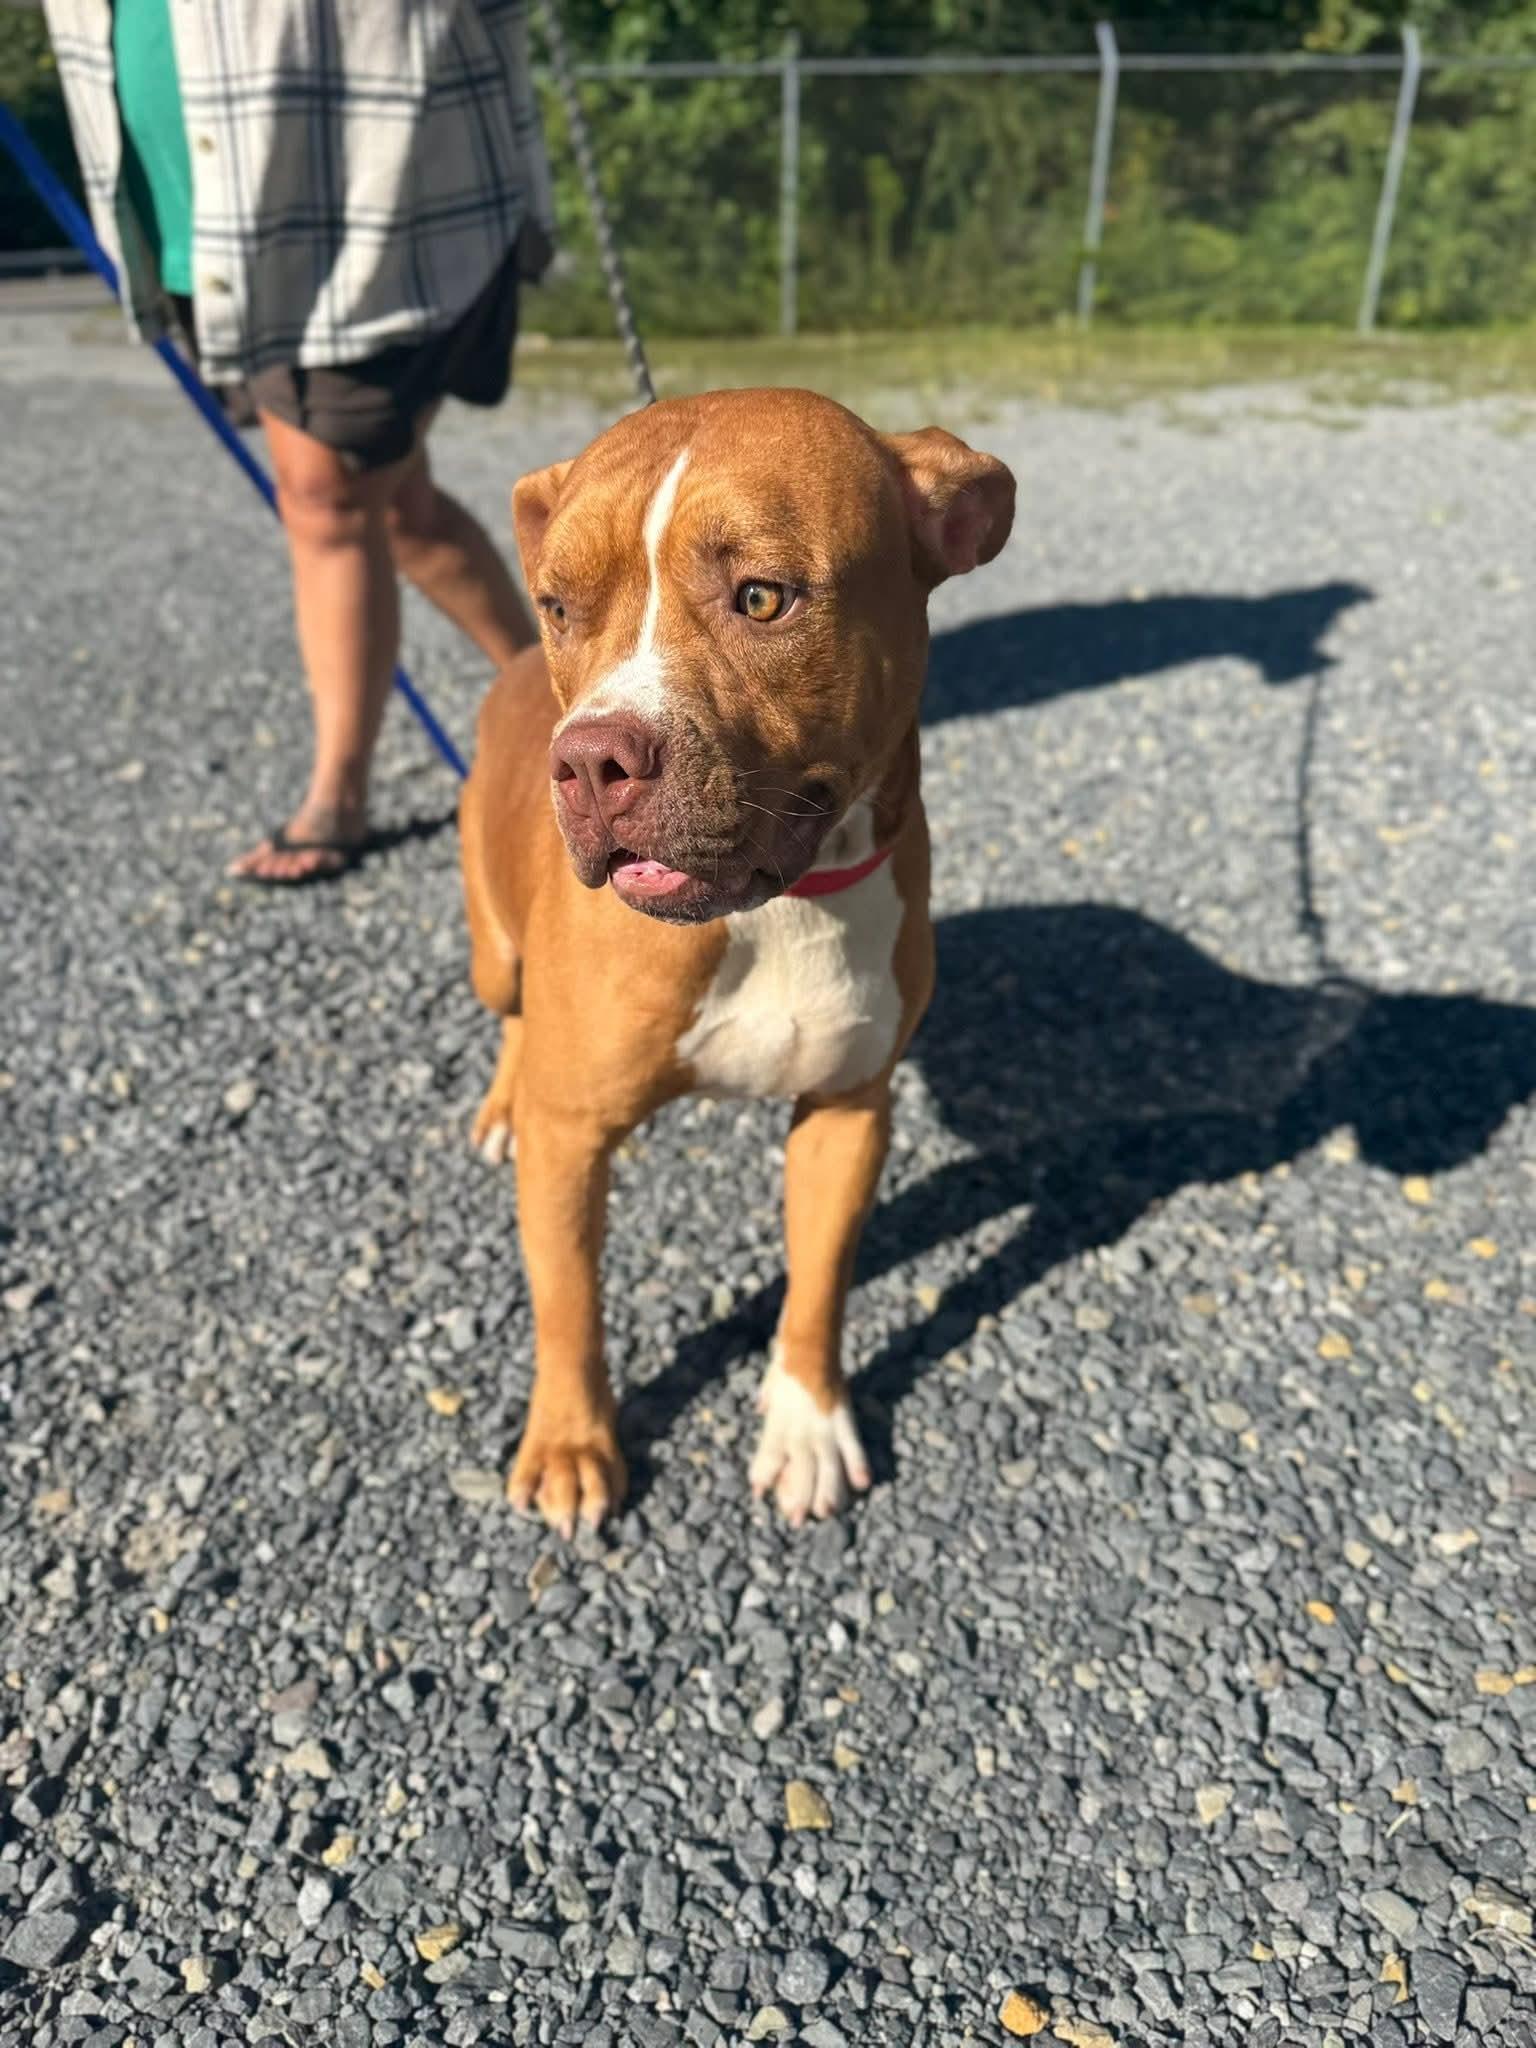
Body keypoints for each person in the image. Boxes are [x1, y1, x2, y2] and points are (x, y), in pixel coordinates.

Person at [44, 0, 555, 883]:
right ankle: (553, 697)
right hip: (199, 203)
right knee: (398, 505)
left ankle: (339, 799)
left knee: (327, 497)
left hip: (364, 198)